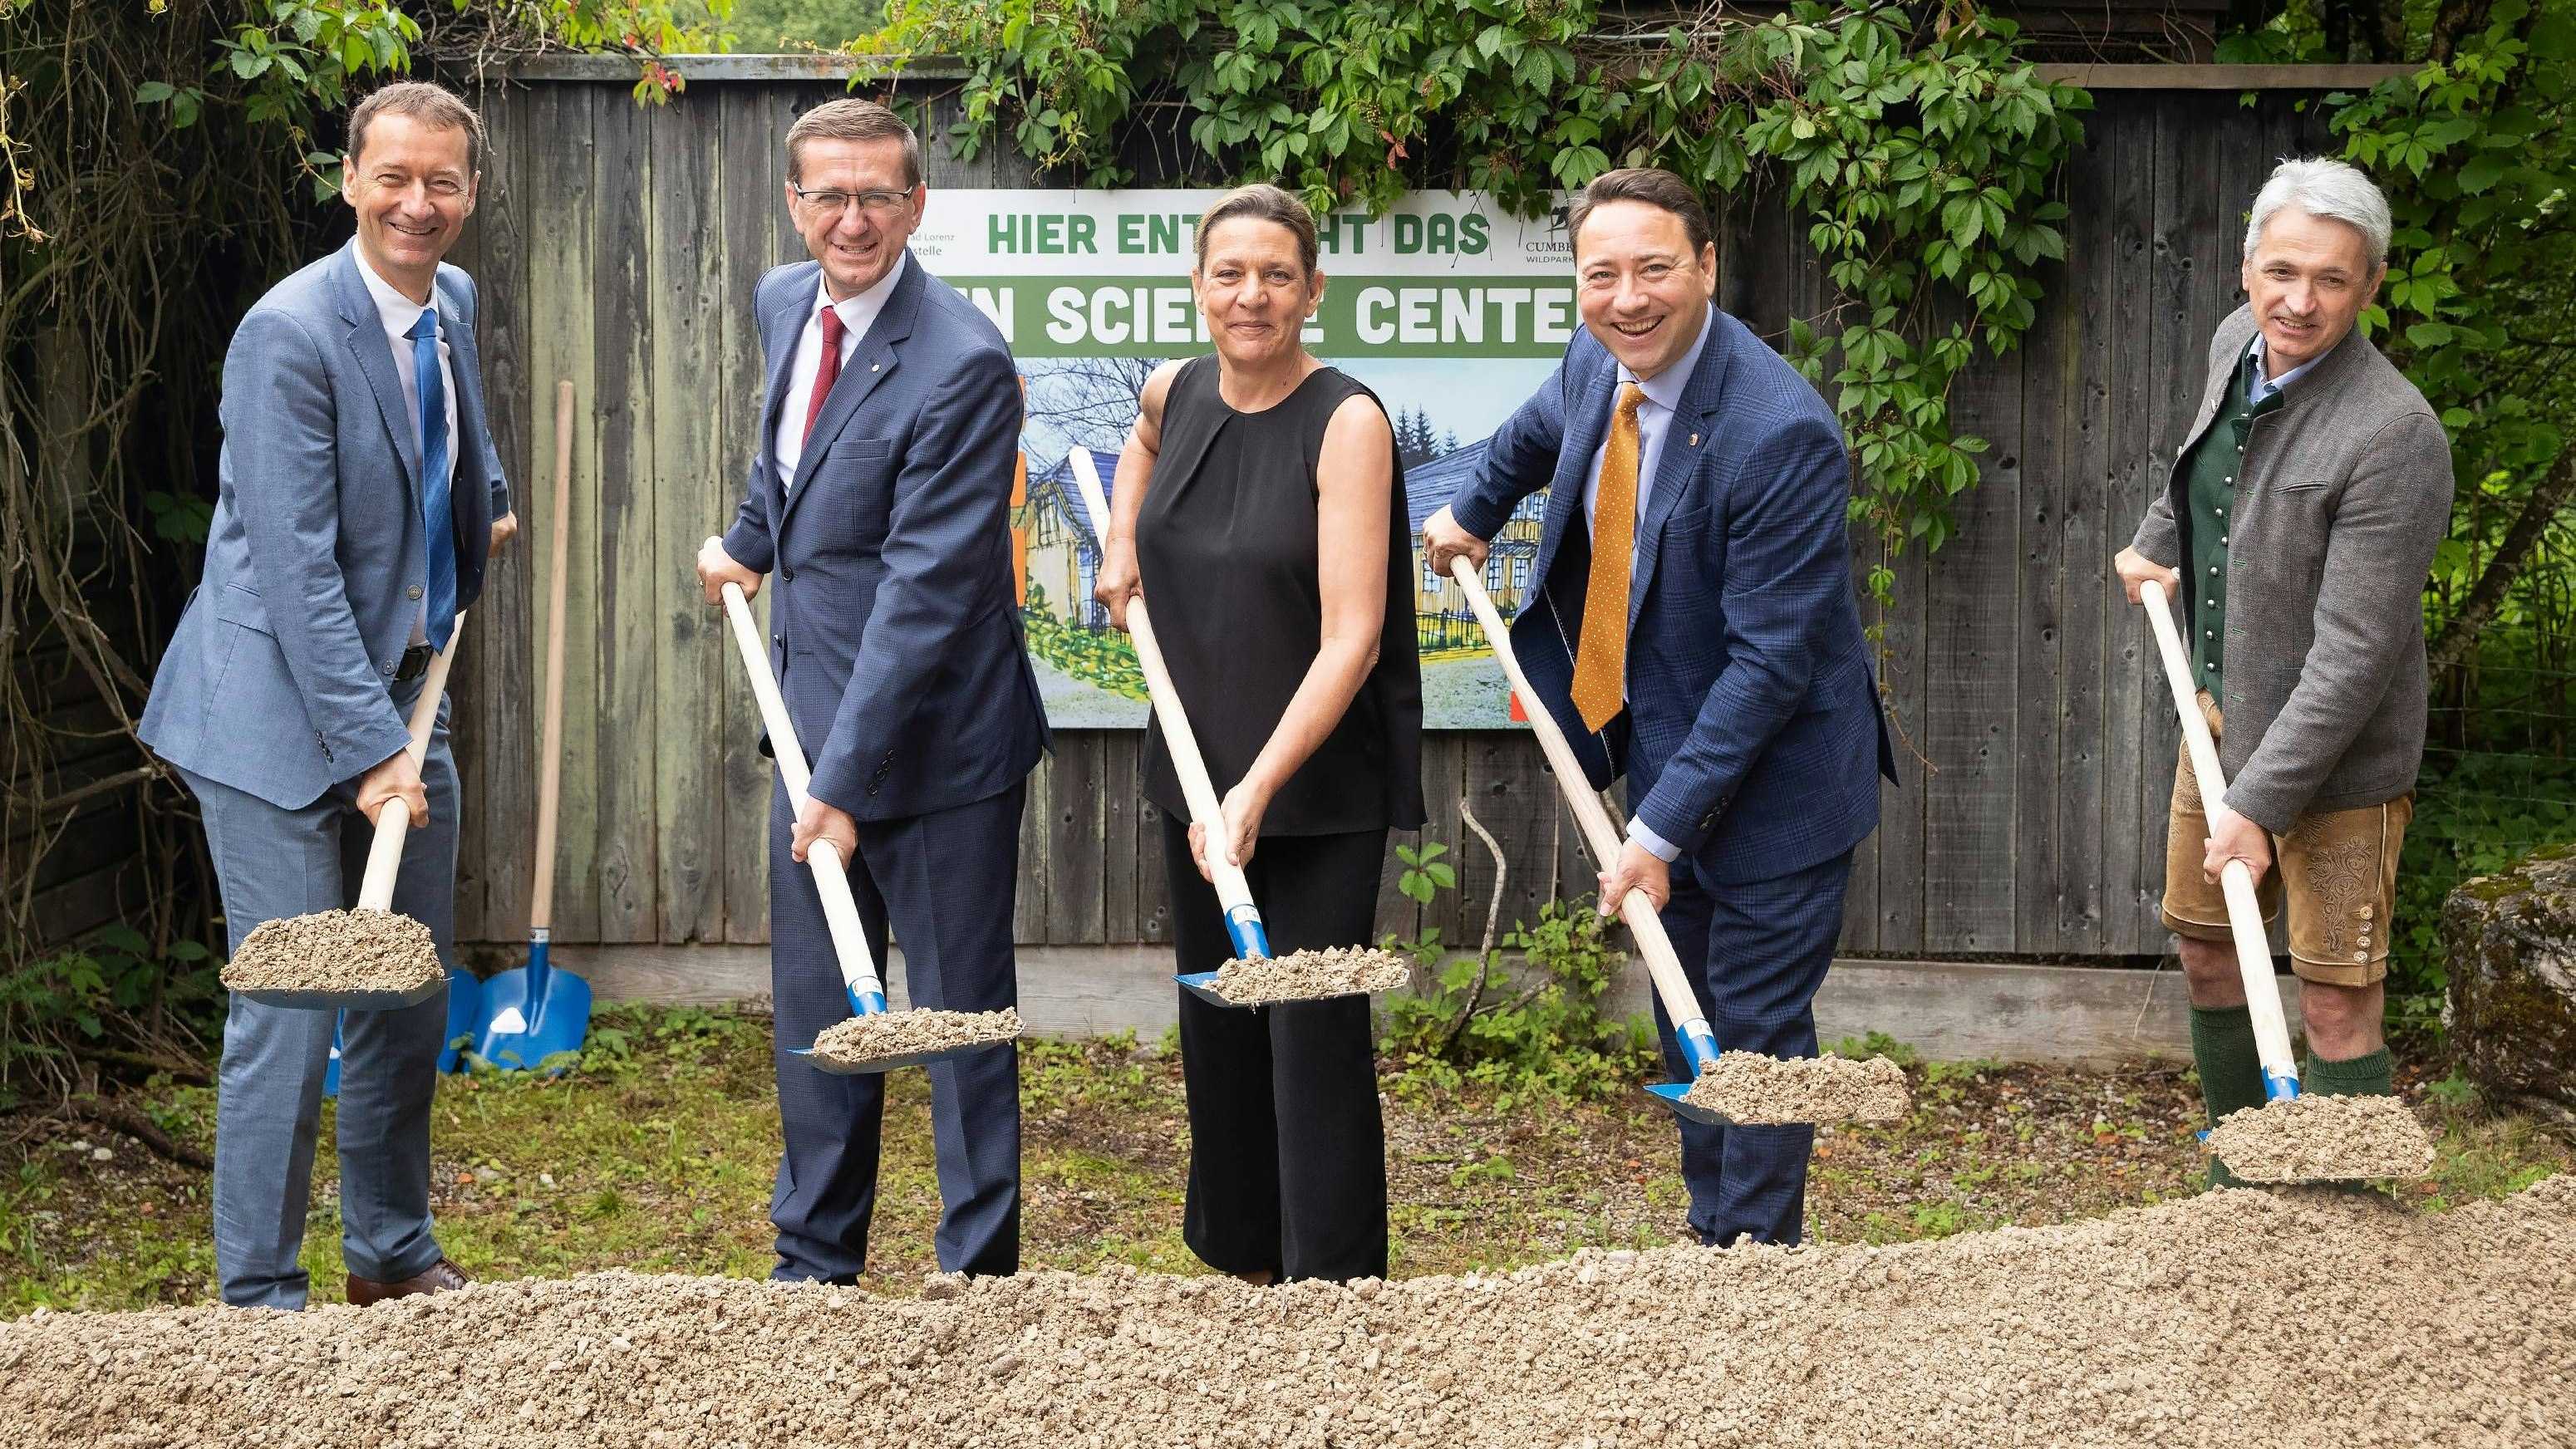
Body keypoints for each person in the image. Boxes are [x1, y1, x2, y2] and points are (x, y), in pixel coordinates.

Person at [1423, 169, 1893, 1248]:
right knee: (1683, 1008)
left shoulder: (1781, 433)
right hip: (1667, 736)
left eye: (1654, 269)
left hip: (1779, 778)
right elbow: (1542, 426)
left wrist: (1655, 832)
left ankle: (1756, 1266)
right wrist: (1474, 510)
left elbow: (1770, 665)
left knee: (1757, 1033)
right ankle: (1707, 1233)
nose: (1628, 296)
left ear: (1707, 268)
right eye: (1603, 273)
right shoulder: (1601, 356)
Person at [137, 81, 517, 1309]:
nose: (419, 203)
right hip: (272, 718)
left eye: (443, 182)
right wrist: (369, 755)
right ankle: (258, 1296)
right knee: (295, 1007)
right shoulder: (287, 332)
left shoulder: (448, 300)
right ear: (348, 179)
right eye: (394, 177)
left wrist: (482, 509)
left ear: (469, 192)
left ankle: (392, 1255)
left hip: (405, 703)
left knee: (406, 988)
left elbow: (452, 440)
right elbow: (296, 573)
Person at [695, 98, 1048, 1281]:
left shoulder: (964, 365)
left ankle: (975, 1274)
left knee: (956, 1025)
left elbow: (929, 594)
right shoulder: (785, 304)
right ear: (795, 202)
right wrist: (750, 539)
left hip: (941, 747)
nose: (852, 219)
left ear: (916, 205)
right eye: (828, 195)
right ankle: (816, 1266)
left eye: (877, 196)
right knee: (820, 1018)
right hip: (813, 723)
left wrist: (841, 783)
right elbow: (787, 458)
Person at [1092, 184, 1423, 1284]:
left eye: (1277, 275)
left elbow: (1355, 640)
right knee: (1221, 1033)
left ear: (1313, 290)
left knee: (1308, 1037)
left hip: (1315, 792)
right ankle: (1244, 1271)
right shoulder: (1176, 390)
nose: (1252, 295)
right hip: (1195, 773)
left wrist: (1257, 791)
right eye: (1229, 273)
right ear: (1199, 286)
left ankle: (1332, 1291)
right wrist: (1122, 544)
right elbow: (1139, 444)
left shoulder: (1348, 421)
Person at [2113, 158, 2451, 1185]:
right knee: (2210, 952)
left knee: (2334, 998)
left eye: (2332, 280)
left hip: (2337, 768)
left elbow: (2355, 656)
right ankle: (2241, 1173)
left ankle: (2342, 1229)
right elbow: (2206, 479)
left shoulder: (2394, 435)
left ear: (2372, 285)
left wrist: (2258, 808)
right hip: (2216, 721)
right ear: (2247, 266)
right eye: (2281, 270)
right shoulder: (2237, 347)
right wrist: (2151, 538)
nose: (2299, 301)